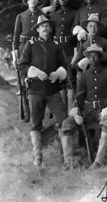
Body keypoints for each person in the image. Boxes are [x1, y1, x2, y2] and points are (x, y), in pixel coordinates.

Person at [18, 15, 68, 166]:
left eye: (48, 26)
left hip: (53, 90)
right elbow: (22, 65)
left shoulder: (56, 45)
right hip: (36, 90)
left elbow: (64, 66)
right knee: (35, 123)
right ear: (38, 29)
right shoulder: (30, 45)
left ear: (51, 28)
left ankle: (68, 157)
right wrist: (35, 73)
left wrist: (57, 74)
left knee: (64, 121)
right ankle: (37, 157)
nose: (45, 28)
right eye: (42, 26)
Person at [60, 44, 107, 169]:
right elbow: (79, 97)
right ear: (87, 59)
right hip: (87, 111)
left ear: (100, 57)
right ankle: (69, 162)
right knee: (66, 124)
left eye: (96, 56)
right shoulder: (85, 75)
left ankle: (98, 161)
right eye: (91, 57)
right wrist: (76, 112)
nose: (93, 59)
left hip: (104, 109)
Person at [12, 0, 45, 69]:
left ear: (38, 2)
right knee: (23, 72)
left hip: (38, 47)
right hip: (23, 47)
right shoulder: (21, 16)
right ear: (27, 1)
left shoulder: (43, 16)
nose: (33, 1)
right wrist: (14, 55)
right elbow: (16, 37)